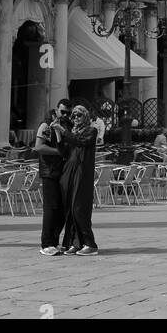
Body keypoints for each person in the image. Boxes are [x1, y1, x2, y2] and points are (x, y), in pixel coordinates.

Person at [56, 104, 98, 255]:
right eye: (73, 116)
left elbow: (81, 142)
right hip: (69, 170)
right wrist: (59, 136)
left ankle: (90, 243)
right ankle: (75, 243)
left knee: (78, 207)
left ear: (85, 116)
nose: (75, 118)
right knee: (70, 209)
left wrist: (64, 132)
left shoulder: (91, 130)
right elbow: (64, 151)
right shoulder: (72, 132)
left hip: (82, 172)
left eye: (79, 115)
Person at [35, 98, 72, 255]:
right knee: (50, 208)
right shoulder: (46, 125)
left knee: (62, 208)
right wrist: (59, 152)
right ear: (56, 110)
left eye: (68, 113)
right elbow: (38, 147)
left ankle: (54, 240)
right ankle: (46, 243)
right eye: (63, 111)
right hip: (49, 171)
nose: (65, 115)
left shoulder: (67, 126)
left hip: (63, 172)